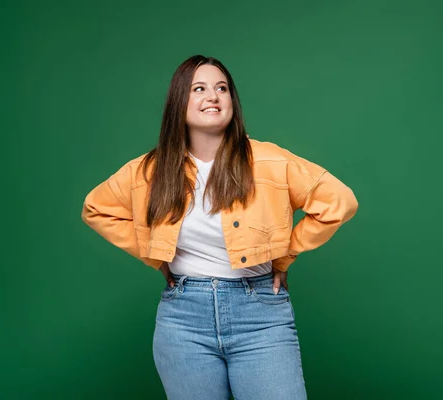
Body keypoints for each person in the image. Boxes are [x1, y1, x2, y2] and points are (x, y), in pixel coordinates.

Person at [81, 55, 358, 399]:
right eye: (199, 88)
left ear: (232, 102)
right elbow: (96, 208)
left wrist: (284, 256)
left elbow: (339, 201)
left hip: (260, 316)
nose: (213, 96)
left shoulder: (270, 160)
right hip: (182, 319)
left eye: (222, 88)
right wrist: (157, 254)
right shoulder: (149, 171)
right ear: (179, 101)